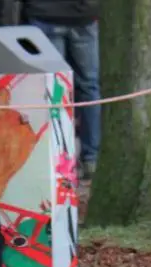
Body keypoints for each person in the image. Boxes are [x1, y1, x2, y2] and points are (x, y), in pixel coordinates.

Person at [20, 0, 101, 180]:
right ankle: (91, 158)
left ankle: (55, 154)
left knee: (54, 87)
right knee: (89, 86)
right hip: (83, 15)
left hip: (45, 14)